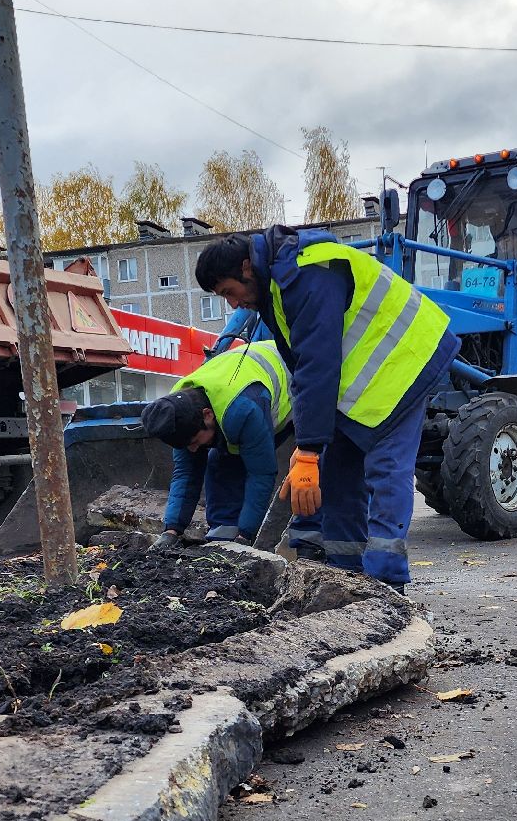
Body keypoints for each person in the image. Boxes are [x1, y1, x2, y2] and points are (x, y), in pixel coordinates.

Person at [194, 227, 460, 591]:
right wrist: (310, 446)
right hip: (371, 377)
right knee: (339, 472)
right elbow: (303, 365)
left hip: (408, 362)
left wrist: (306, 450)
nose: (232, 303)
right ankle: (345, 575)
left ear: (246, 268)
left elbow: (317, 364)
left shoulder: (307, 274)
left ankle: (386, 582)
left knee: (385, 468)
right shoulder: (277, 284)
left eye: (229, 292)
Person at [139, 340, 320, 556]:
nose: (194, 449)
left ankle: (312, 546)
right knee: (219, 462)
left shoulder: (243, 410)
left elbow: (261, 473)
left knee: (310, 471)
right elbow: (185, 475)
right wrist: (171, 531)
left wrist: (245, 536)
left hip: (298, 381)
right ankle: (221, 541)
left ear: (207, 414)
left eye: (196, 440)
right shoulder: (178, 413)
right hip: (243, 389)